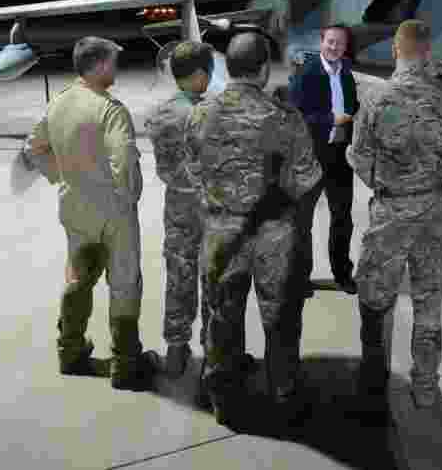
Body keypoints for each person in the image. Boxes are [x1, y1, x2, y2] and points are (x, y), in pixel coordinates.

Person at [184, 30, 322, 429]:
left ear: (229, 68)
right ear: (263, 69)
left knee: (221, 316)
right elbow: (307, 179)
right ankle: (284, 393)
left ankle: (223, 399)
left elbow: (191, 171)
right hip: (273, 234)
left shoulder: (200, 113)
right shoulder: (284, 118)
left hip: (220, 232)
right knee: (279, 318)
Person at [24, 36, 159, 391]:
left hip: (75, 209)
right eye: (112, 61)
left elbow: (34, 148)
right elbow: (125, 165)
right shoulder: (110, 110)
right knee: (125, 284)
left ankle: (69, 352)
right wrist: (128, 200)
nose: (115, 68)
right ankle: (127, 364)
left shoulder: (58, 104)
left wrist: (60, 176)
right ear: (99, 65)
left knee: (78, 278)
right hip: (113, 213)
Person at [346, 20, 442, 411]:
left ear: (395, 50)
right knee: (429, 298)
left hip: (392, 211)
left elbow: (360, 157)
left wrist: (384, 185)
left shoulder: (378, 98)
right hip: (433, 208)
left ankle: (374, 379)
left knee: (376, 298)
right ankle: (426, 385)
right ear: (428, 51)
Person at [145, 41, 248, 378]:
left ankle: (176, 350)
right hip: (212, 209)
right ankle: (214, 352)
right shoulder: (213, 112)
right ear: (201, 74)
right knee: (214, 277)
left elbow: (163, 169)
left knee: (179, 275)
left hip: (178, 208)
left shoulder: (160, 114)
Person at [288, 24, 360, 294]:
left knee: (342, 218)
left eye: (339, 43)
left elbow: (353, 106)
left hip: (340, 155)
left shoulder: (347, 73)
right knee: (302, 221)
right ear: (322, 42)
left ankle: (342, 274)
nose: (334, 47)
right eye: (330, 42)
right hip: (312, 156)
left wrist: (348, 119)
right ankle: (300, 278)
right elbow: (295, 116)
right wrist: (332, 119)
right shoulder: (305, 73)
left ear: (345, 47)